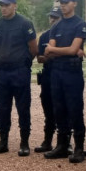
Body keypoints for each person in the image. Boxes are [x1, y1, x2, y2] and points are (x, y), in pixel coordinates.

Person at [0, 0, 37, 156]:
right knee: (3, 107)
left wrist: (24, 62)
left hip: (19, 70)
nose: (3, 8)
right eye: (1, 5)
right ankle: (3, 142)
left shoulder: (24, 23)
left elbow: (33, 48)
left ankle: (24, 142)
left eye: (7, 5)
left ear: (15, 5)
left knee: (23, 107)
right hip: (2, 70)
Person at [43, 0, 86, 162]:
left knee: (75, 110)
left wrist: (57, 50)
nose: (63, 5)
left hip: (72, 72)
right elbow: (49, 51)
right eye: (61, 3)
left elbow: (71, 50)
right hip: (57, 71)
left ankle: (79, 148)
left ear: (74, 4)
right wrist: (66, 50)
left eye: (66, 2)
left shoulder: (80, 24)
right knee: (59, 109)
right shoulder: (57, 26)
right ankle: (62, 145)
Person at [34, 8, 61, 153]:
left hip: (61, 73)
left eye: (55, 18)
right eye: (51, 17)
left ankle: (65, 142)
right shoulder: (44, 36)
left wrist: (52, 54)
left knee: (63, 109)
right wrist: (53, 55)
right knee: (48, 108)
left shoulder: (65, 35)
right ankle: (47, 141)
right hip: (48, 75)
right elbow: (39, 58)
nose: (52, 20)